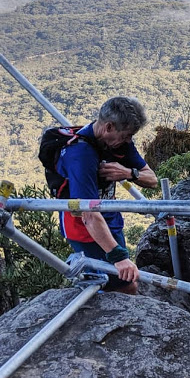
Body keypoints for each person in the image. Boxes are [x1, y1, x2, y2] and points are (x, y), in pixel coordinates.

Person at [57, 96, 158, 294]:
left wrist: (128, 173)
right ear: (109, 127)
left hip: (111, 220)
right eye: (127, 135)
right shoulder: (81, 154)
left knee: (121, 281)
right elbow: (88, 214)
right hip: (85, 230)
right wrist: (118, 257)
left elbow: (152, 179)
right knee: (124, 286)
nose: (129, 140)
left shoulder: (119, 143)